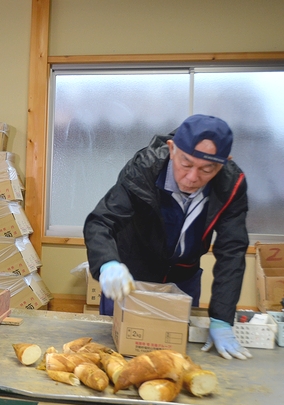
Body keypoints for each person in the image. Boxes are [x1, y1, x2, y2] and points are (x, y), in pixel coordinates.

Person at [84, 114, 253, 361]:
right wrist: (108, 263)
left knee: (173, 357)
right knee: (117, 355)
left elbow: (233, 250)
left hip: (183, 279)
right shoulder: (144, 168)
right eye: (186, 164)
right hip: (131, 277)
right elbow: (101, 220)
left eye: (207, 169)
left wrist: (221, 318)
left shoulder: (231, 184)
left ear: (224, 163)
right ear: (172, 149)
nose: (193, 178)